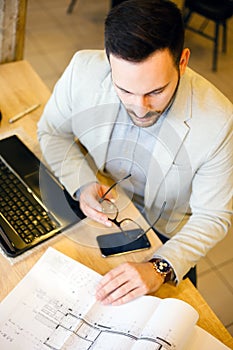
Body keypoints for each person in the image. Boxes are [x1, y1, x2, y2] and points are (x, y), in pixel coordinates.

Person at [37, 0, 233, 306]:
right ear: (109, 61)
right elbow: (51, 131)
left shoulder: (220, 121)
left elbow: (214, 215)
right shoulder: (82, 70)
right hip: (99, 208)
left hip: (166, 233)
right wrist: (83, 184)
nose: (140, 109)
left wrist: (159, 268)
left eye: (156, 91)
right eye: (125, 90)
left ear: (182, 61)